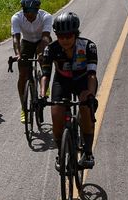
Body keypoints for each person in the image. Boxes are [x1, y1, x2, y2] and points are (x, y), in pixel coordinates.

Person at [40, 12, 99, 169]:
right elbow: (45, 75)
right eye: (61, 36)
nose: (64, 40)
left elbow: (92, 75)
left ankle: (87, 152)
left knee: (85, 109)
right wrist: (42, 95)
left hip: (83, 81)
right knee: (56, 115)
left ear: (75, 34)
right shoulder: (50, 49)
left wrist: (90, 94)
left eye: (68, 36)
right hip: (62, 81)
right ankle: (61, 152)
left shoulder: (88, 47)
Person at [10, 0, 53, 123]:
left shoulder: (46, 16)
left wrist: (40, 53)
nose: (29, 14)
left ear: (38, 9)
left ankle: (44, 82)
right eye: (26, 11)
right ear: (23, 10)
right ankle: (24, 108)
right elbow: (15, 38)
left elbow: (46, 37)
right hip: (27, 42)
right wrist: (18, 54)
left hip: (42, 40)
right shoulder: (16, 17)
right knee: (23, 75)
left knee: (45, 60)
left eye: (33, 11)